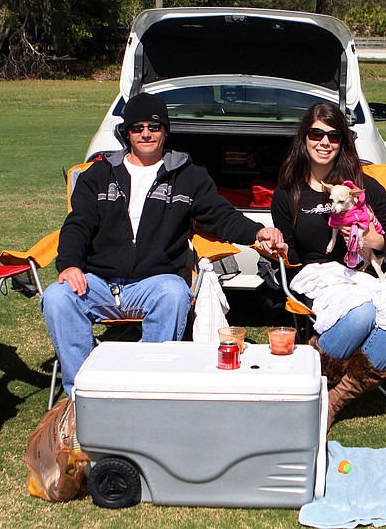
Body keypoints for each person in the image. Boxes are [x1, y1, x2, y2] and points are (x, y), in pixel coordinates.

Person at [42, 92, 285, 395]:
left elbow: (220, 216)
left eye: (154, 127)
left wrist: (257, 232)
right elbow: (77, 224)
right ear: (127, 133)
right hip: (99, 282)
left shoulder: (188, 177)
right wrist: (69, 265)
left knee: (173, 292)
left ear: (166, 131)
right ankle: (83, 394)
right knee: (57, 297)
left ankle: (149, 387)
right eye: (137, 127)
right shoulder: (98, 175)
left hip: (154, 282)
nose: (146, 134)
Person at [271, 102, 386, 430]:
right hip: (317, 278)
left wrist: (373, 240)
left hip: (364, 272)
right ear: (304, 138)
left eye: (334, 136)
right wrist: (276, 247)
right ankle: (304, 379)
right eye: (316, 133)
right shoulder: (287, 193)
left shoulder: (363, 188)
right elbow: (290, 254)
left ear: (343, 142)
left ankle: (332, 400)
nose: (325, 142)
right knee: (364, 312)